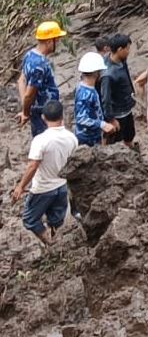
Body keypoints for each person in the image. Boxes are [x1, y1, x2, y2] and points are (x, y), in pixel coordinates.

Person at [10, 101, 78, 246]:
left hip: (43, 188)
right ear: (62, 116)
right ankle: (58, 244)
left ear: (43, 118)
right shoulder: (72, 138)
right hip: (62, 186)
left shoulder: (40, 140)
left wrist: (21, 186)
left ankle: (50, 243)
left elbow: (33, 165)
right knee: (57, 220)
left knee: (30, 219)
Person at [16, 21, 67, 137]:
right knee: (48, 143)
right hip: (45, 113)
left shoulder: (29, 55)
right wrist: (25, 111)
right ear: (49, 42)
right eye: (56, 40)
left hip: (38, 110)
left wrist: (26, 108)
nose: (58, 43)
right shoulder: (40, 65)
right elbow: (30, 93)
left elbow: (21, 80)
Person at [99, 34, 137, 149]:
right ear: (120, 49)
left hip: (127, 108)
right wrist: (111, 119)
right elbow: (106, 98)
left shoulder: (121, 60)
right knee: (114, 143)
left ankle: (132, 151)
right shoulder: (108, 74)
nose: (129, 52)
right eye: (127, 49)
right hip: (117, 114)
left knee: (129, 135)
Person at [73, 52, 114, 146]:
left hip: (93, 134)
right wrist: (102, 124)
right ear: (96, 72)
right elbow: (81, 118)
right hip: (87, 138)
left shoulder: (86, 87)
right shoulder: (85, 94)